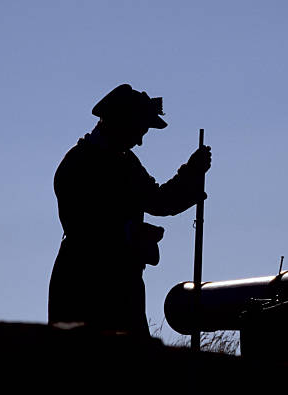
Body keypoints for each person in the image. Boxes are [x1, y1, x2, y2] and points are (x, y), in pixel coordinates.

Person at [48, 84, 211, 336]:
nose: (140, 140)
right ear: (121, 123)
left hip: (122, 287)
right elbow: (83, 230)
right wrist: (130, 233)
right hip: (83, 286)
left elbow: (158, 201)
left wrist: (191, 172)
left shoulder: (125, 162)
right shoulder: (78, 165)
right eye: (139, 130)